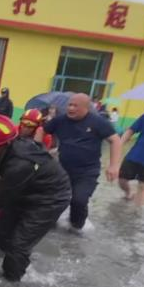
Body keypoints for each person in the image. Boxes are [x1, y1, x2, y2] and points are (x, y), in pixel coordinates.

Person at [0, 115, 70, 282]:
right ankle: (19, 260)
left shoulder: (21, 163)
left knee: (18, 246)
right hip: (25, 190)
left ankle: (13, 286)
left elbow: (0, 194)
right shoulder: (1, 147)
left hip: (49, 199)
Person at [43, 93, 121, 231]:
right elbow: (42, 130)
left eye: (75, 106)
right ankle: (50, 225)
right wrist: (39, 150)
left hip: (87, 172)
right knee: (53, 198)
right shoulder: (60, 120)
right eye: (69, 105)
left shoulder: (98, 122)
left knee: (78, 200)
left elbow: (115, 140)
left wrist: (114, 166)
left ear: (86, 108)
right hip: (63, 169)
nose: (71, 108)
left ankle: (77, 227)